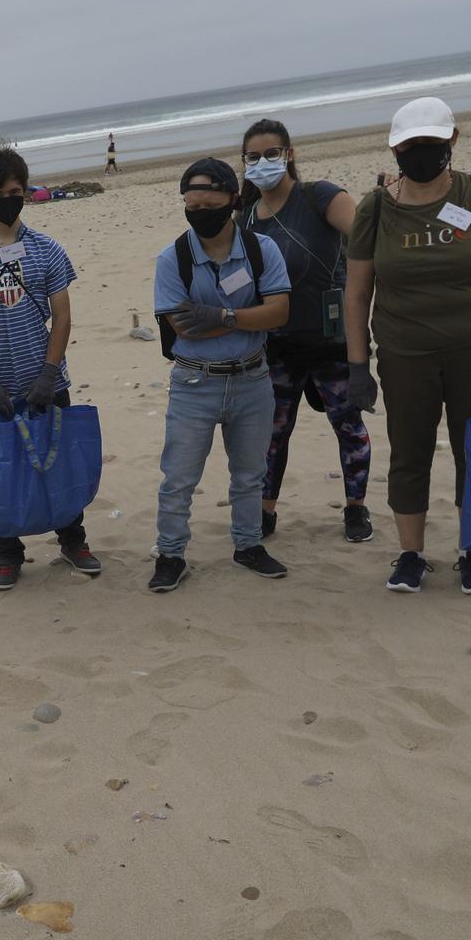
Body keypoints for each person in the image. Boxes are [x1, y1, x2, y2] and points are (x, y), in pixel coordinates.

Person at [344, 96, 471, 595]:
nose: (421, 153)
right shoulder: (375, 208)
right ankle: (411, 554)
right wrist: (357, 365)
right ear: (394, 149)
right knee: (410, 452)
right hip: (405, 353)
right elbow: (357, 290)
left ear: (452, 141)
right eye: (410, 146)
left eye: (431, 143)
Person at [0, 145, 101, 590]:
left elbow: (63, 316)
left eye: (16, 190)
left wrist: (50, 373)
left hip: (47, 383)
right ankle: (7, 554)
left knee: (60, 463)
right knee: (2, 472)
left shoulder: (47, 249)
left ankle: (73, 540)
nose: (9, 199)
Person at [147, 157, 292, 593]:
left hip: (252, 380)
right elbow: (180, 325)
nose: (200, 211)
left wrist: (221, 316)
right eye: (192, 204)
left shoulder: (261, 250)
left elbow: (281, 312)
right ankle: (170, 553)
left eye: (210, 203)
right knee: (179, 478)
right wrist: (248, 316)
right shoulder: (172, 258)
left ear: (233, 200)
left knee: (250, 474)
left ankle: (248, 546)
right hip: (195, 383)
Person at [236, 119, 373, 544]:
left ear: (289, 154)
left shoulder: (320, 197)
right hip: (276, 347)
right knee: (272, 433)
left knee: (348, 424)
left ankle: (356, 509)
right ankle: (265, 511)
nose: (262, 163)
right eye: (253, 157)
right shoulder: (245, 219)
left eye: (271, 153)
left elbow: (368, 241)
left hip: (333, 340)